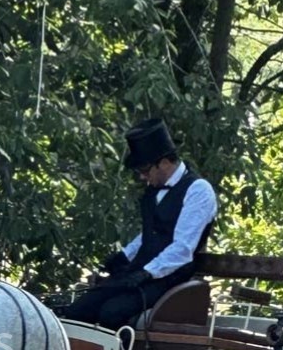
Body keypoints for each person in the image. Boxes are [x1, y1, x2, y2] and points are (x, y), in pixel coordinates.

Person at [64, 117, 217, 330]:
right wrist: (124, 256)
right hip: (141, 273)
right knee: (78, 310)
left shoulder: (198, 190)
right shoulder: (153, 190)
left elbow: (183, 248)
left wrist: (147, 272)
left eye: (145, 170)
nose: (143, 177)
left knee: (112, 312)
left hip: (170, 279)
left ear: (164, 162)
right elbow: (150, 233)